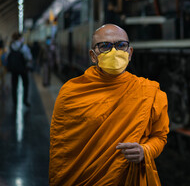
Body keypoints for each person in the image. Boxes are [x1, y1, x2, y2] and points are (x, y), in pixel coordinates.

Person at [49, 24, 169, 185]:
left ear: (130, 53)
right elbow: (62, 152)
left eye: (121, 45)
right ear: (93, 56)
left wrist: (145, 150)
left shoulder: (149, 92)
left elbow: (159, 136)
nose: (114, 52)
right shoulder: (72, 93)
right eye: (104, 46)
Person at [7, 32, 32, 107]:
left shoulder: (11, 46)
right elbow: (29, 57)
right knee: (26, 84)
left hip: (13, 69)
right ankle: (25, 100)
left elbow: (7, 57)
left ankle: (15, 102)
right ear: (19, 38)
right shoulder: (23, 46)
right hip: (23, 69)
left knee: (14, 86)